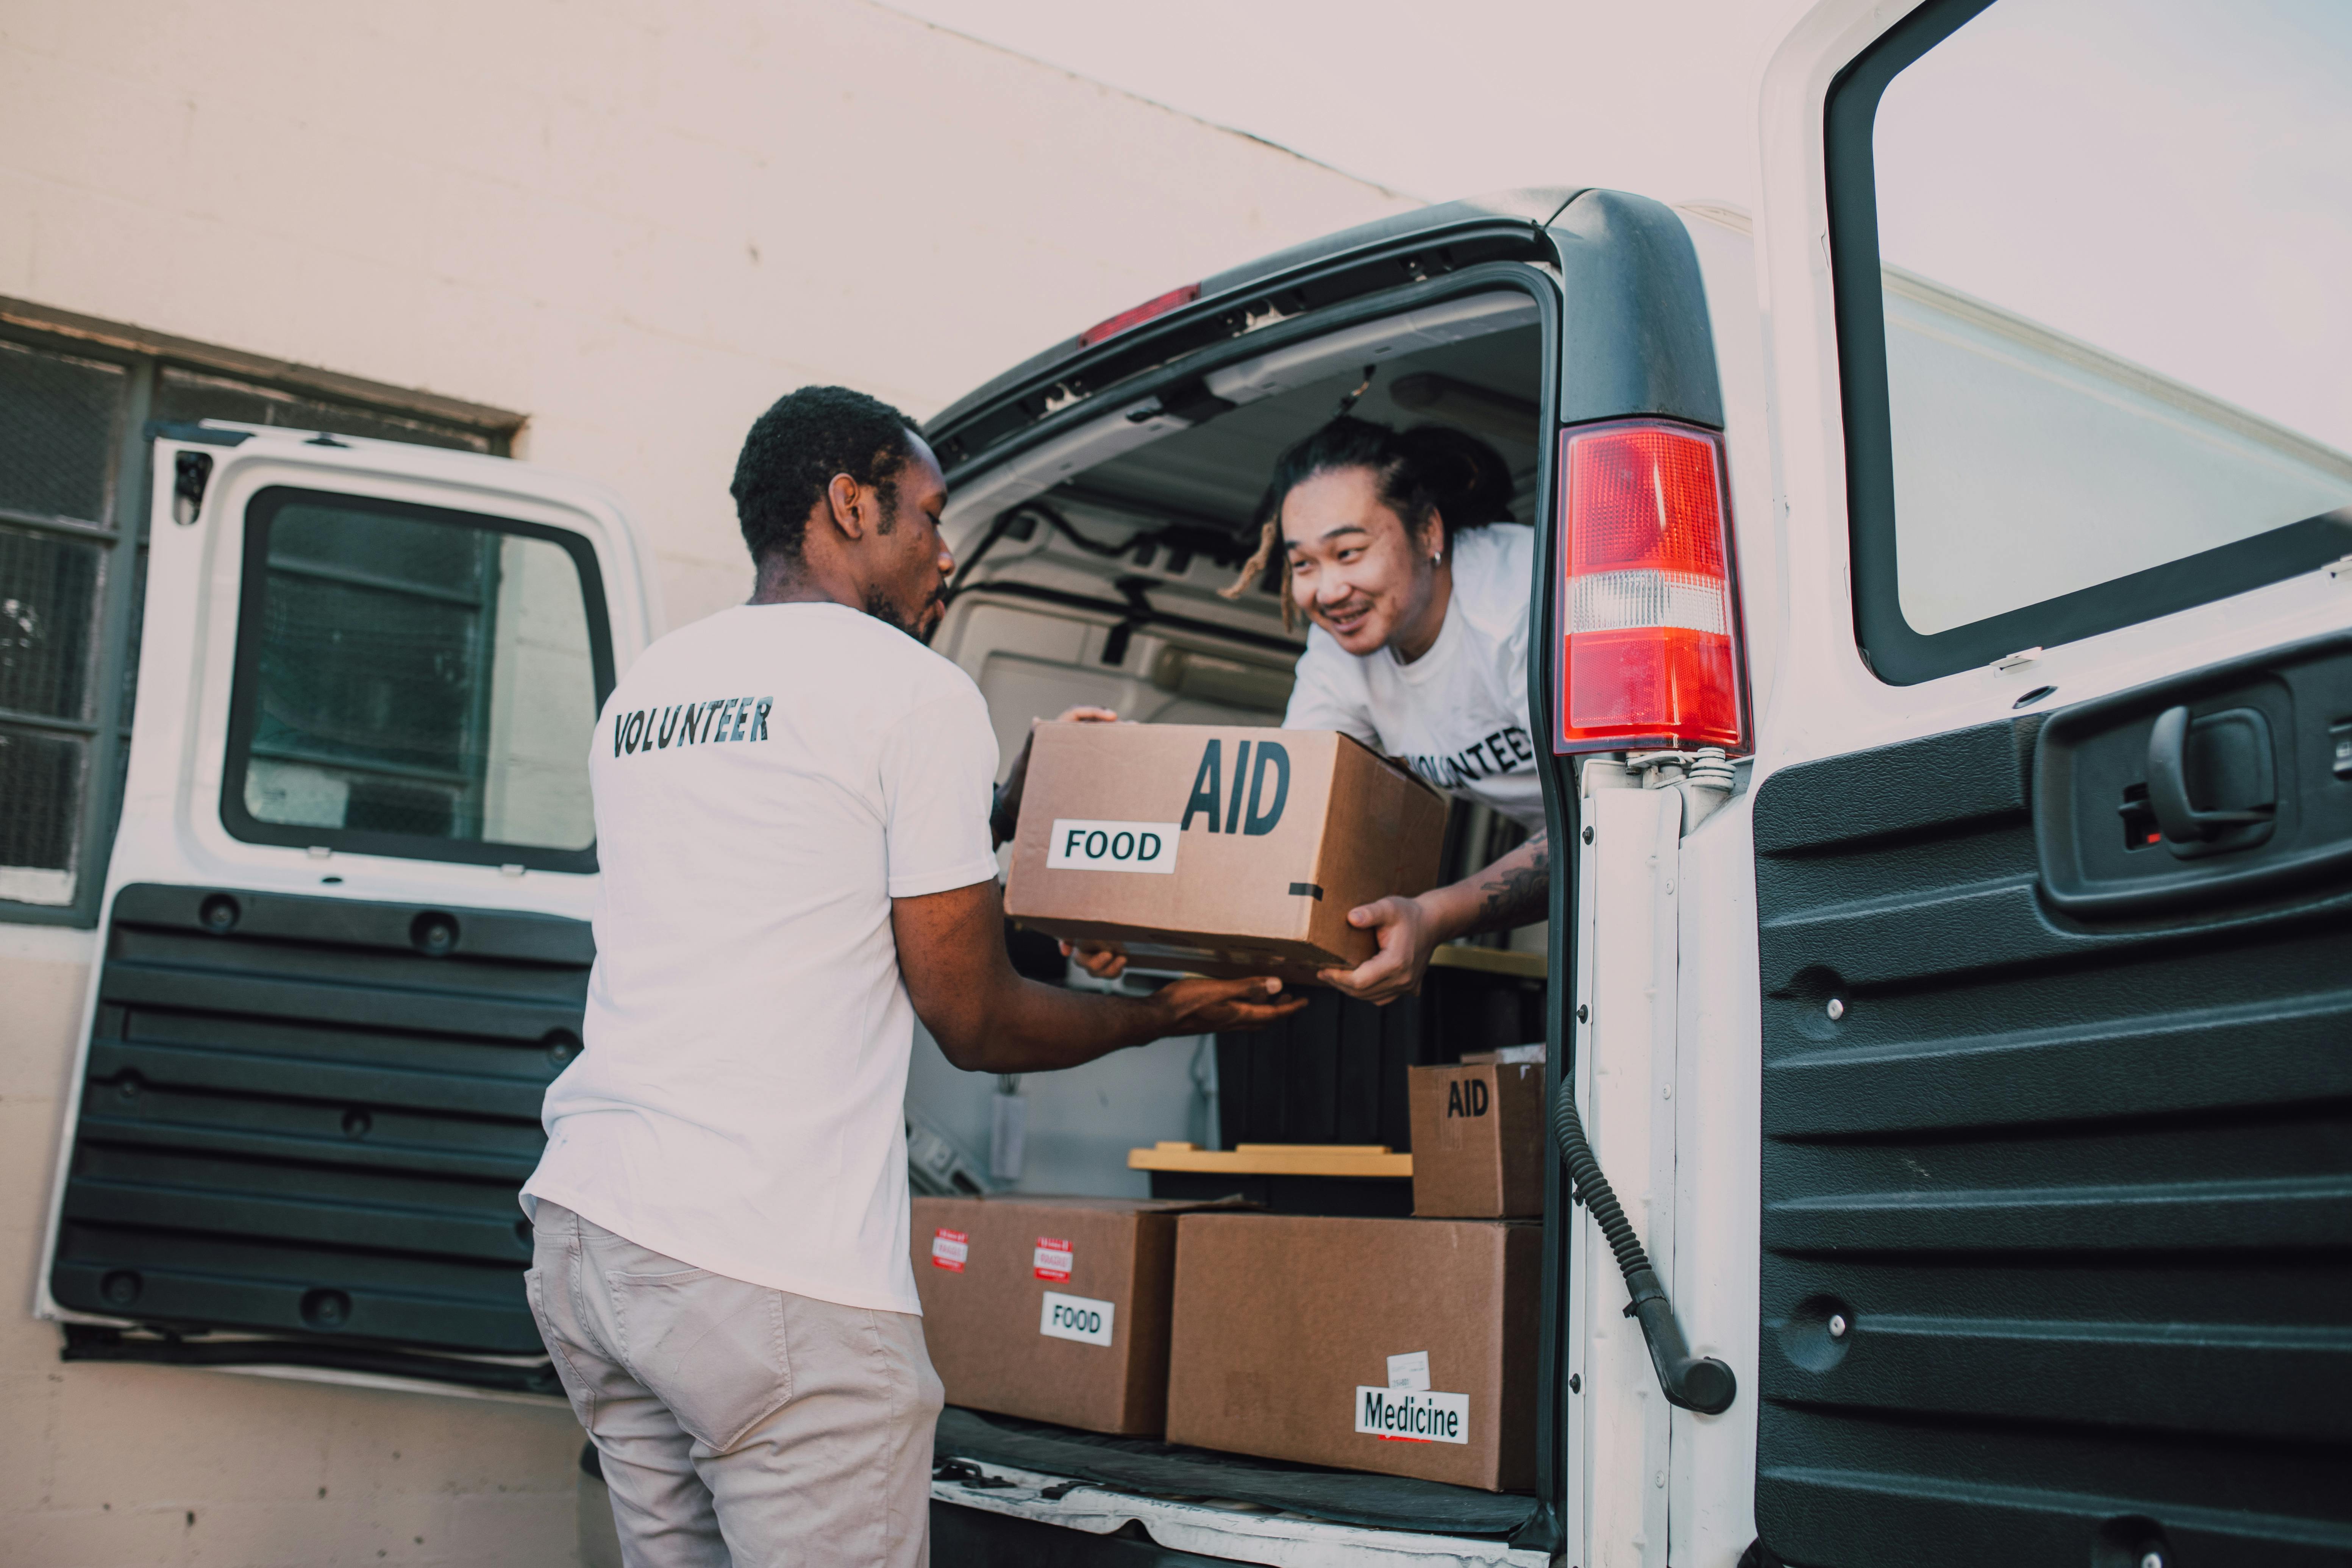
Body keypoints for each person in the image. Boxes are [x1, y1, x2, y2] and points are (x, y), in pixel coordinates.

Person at [520, 385, 1303, 1568]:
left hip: (591, 1237)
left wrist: (995, 809)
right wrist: (1162, 1016)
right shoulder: (913, 690)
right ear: (849, 504)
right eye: (930, 518)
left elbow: (804, 864)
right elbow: (973, 1017)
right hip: (767, 1270)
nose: (947, 553)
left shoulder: (649, 689)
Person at [1057, 416, 1546, 1004]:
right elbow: (1286, 820)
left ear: (1428, 532)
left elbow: (1612, 805)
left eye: (1348, 552)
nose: (1328, 590)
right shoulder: (1339, 651)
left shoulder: (1523, 602)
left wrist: (1437, 914)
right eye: (1304, 564)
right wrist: (1124, 914)